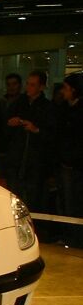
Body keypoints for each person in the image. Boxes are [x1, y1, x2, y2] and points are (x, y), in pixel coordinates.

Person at [5, 70, 55, 213]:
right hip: (17, 157)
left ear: (41, 87)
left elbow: (52, 135)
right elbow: (5, 124)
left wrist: (35, 130)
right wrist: (12, 122)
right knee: (14, 196)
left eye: (33, 85)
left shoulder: (47, 107)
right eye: (28, 84)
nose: (29, 88)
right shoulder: (19, 102)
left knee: (33, 198)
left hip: (35, 161)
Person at [56, 72, 83, 245]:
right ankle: (71, 236)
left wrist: (72, 160)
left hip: (76, 166)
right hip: (67, 163)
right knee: (67, 203)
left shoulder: (77, 112)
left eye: (66, 88)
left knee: (75, 203)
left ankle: (76, 238)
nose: (62, 92)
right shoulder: (66, 109)